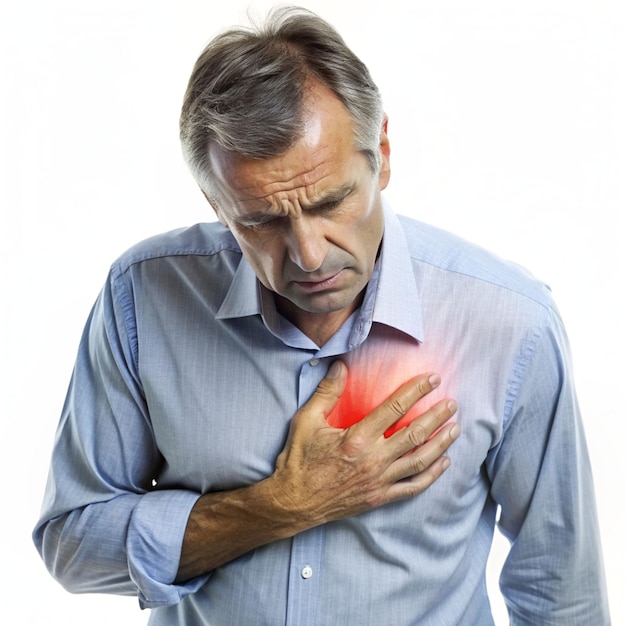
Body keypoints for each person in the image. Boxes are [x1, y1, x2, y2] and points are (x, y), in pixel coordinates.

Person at [33, 6, 610, 625]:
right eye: (261, 220)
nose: (309, 255)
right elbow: (73, 543)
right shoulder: (143, 297)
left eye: (332, 201)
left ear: (382, 154)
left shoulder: (508, 322)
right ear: (216, 203)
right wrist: (279, 505)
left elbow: (559, 591)